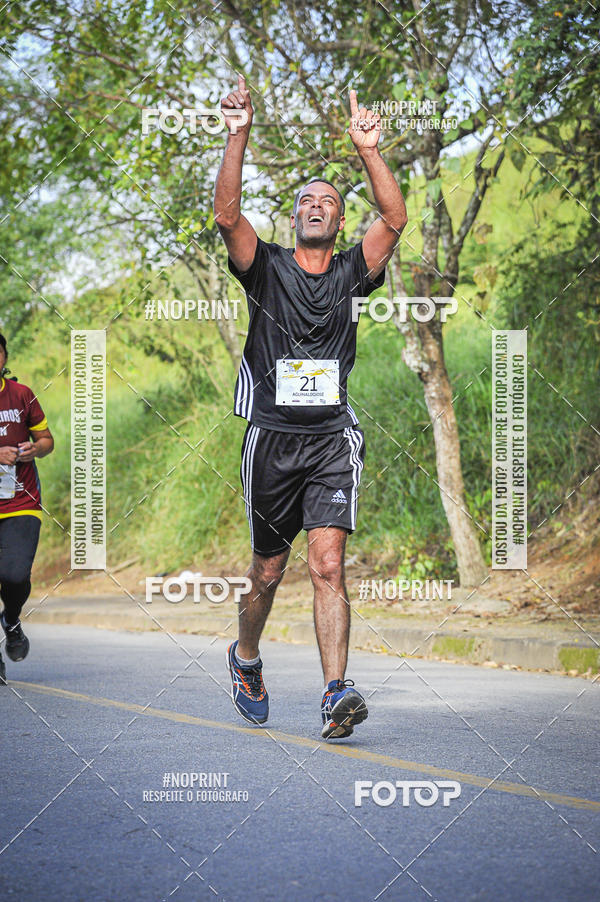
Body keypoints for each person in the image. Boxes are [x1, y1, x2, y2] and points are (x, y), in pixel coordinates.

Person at [214, 76, 407, 738]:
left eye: (330, 201)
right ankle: (244, 658)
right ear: (295, 217)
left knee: (328, 564)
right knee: (268, 570)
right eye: (307, 201)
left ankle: (335, 692)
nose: (319, 206)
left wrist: (369, 151)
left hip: (330, 439)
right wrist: (238, 133)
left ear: (340, 219)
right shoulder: (265, 267)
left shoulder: (355, 271)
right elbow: (228, 217)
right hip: (271, 438)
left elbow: (397, 220)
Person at [0, 333, 54, 684]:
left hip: (21, 501)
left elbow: (47, 440)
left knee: (15, 575)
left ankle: (12, 620)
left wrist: (37, 449)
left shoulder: (21, 394)